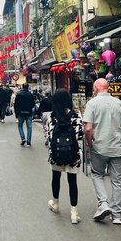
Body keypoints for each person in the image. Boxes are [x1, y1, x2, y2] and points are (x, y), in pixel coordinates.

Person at [84, 78, 121, 225]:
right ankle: (116, 215)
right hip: (118, 147)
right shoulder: (120, 103)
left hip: (99, 147)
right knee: (117, 180)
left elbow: (88, 128)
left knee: (97, 174)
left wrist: (89, 142)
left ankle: (103, 204)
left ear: (97, 88)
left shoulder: (92, 104)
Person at [46, 89, 83, 224]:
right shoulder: (75, 116)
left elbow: (48, 135)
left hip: (56, 154)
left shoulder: (51, 116)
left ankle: (55, 203)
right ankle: (74, 212)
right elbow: (80, 135)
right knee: (72, 182)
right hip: (72, 154)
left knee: (56, 178)